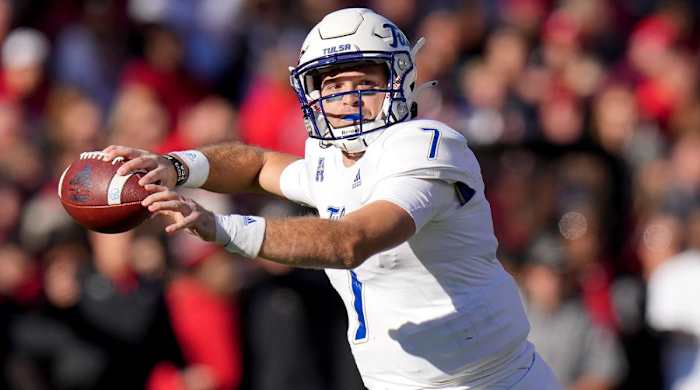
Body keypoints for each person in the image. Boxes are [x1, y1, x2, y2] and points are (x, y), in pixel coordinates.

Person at [101, 8, 560, 389]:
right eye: (333, 86)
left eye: (362, 82)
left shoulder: (424, 144)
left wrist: (220, 228)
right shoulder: (328, 157)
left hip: (492, 381)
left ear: (397, 79)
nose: (348, 99)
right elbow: (259, 165)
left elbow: (351, 241)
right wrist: (176, 165)